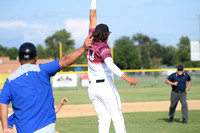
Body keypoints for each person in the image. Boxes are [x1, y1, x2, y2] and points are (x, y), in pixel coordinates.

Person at [0, 35, 93, 133]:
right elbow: (65, 62)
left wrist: (5, 127)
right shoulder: (43, 70)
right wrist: (83, 48)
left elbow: (2, 103)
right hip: (47, 128)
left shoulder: (10, 81)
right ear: (36, 58)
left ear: (18, 59)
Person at [87, 0, 139, 133]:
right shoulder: (104, 46)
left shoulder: (89, 40)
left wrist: (93, 1)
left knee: (103, 118)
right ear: (106, 35)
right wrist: (126, 78)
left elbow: (92, 16)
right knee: (117, 117)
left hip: (92, 88)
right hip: (105, 86)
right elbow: (110, 64)